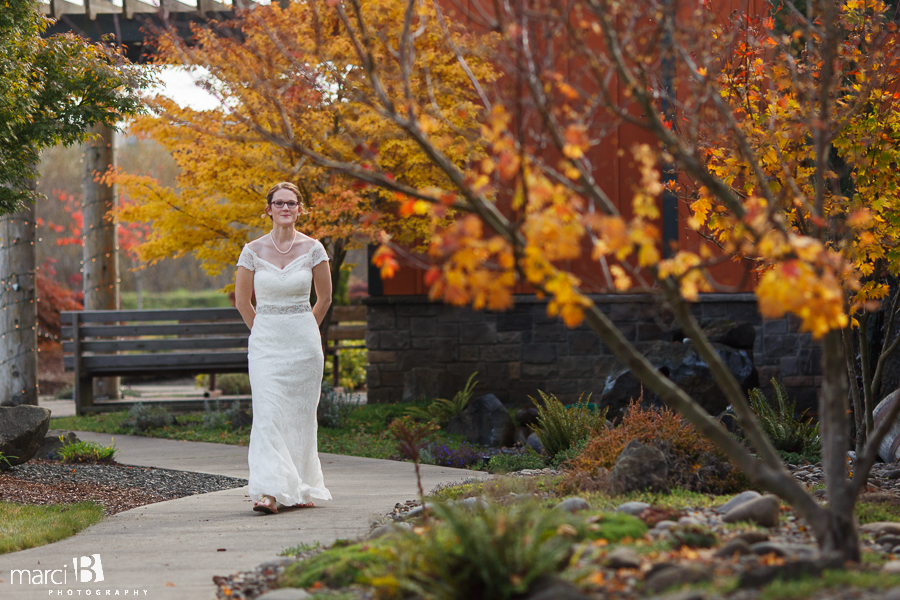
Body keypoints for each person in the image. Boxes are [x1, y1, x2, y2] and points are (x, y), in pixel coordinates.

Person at [235, 182, 333, 514]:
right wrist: (264, 331)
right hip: (265, 346)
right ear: (269, 209)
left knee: (299, 419)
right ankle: (268, 494)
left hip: (303, 348)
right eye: (279, 203)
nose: (285, 208)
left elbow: (325, 298)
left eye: (291, 203)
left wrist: (305, 330)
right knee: (267, 415)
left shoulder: (314, 249)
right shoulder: (251, 250)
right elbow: (242, 302)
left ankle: (298, 487)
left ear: (300, 208)